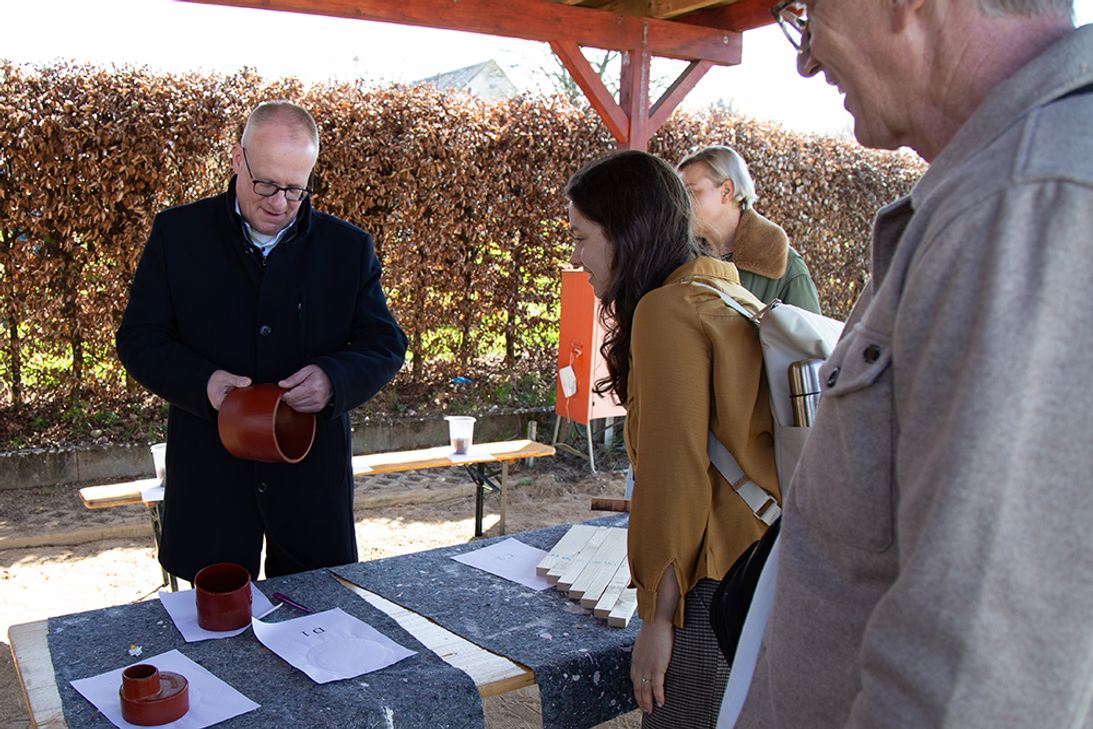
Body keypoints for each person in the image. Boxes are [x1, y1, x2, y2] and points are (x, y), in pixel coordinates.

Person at [734, 3, 1092, 728]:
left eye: (809, 11)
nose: (803, 58)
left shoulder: (1027, 201)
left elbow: (973, 684)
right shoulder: (1003, 187)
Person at [116, 101, 407, 583]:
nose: (278, 203)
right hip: (211, 476)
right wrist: (203, 384)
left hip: (310, 479)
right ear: (237, 159)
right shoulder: (178, 235)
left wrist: (333, 380)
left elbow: (384, 343)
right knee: (215, 639)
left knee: (314, 629)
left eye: (295, 190)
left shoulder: (347, 248)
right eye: (266, 184)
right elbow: (139, 338)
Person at [566, 150, 778, 728]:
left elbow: (672, 477)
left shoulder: (667, 310)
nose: (577, 258)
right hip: (759, 560)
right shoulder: (724, 293)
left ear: (627, 233)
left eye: (583, 238)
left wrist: (657, 621)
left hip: (704, 583)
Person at [677, 146, 820, 313]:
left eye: (691, 192)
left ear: (726, 190)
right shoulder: (679, 259)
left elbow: (808, 338)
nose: (681, 204)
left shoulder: (787, 266)